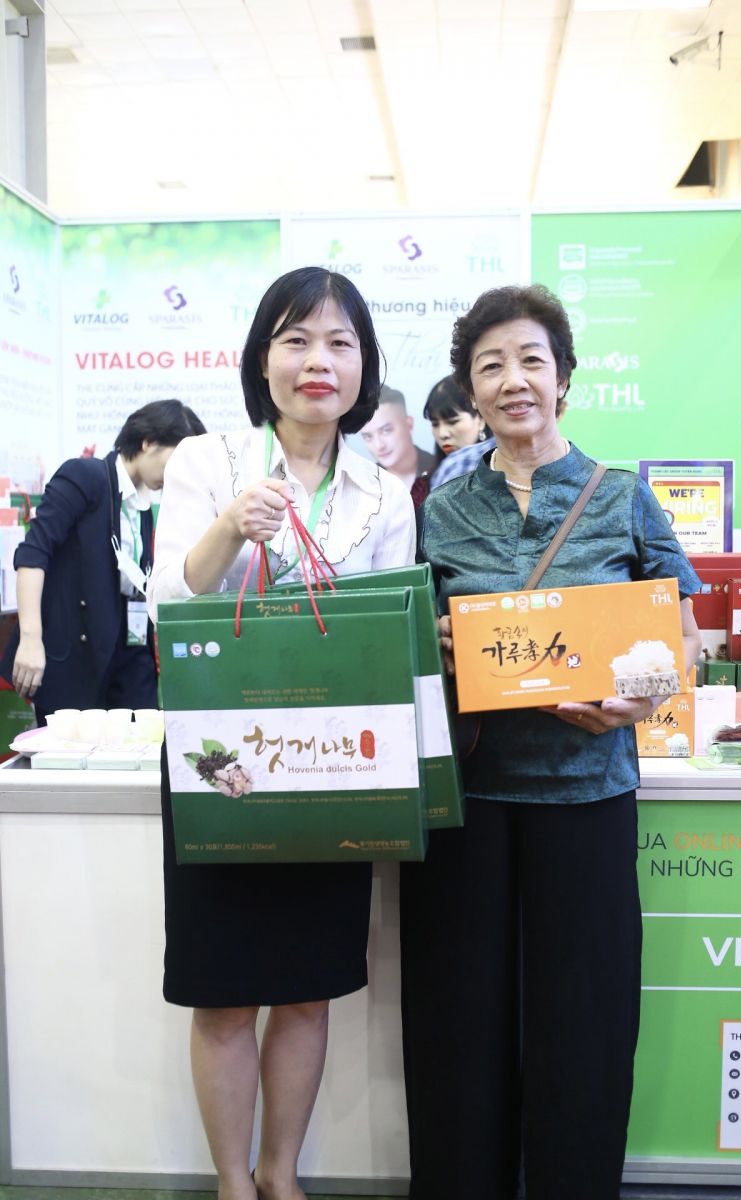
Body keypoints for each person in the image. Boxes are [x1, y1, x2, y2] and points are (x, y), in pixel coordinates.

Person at [399, 284, 702, 1200]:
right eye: (490, 365)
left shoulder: (622, 497)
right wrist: (434, 641)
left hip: (588, 792)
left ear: (563, 378)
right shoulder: (442, 508)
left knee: (585, 1020)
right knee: (459, 1023)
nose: (513, 380)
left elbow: (681, 638)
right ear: (472, 390)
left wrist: (637, 700)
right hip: (469, 797)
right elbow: (409, 638)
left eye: (531, 359)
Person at [148, 266, 416, 1200]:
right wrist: (231, 527)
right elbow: (168, 603)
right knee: (224, 992)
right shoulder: (207, 461)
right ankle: (233, 1183)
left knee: (306, 988)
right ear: (262, 359)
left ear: (364, 366)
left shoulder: (385, 492)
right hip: (220, 763)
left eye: (340, 343)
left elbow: (389, 639)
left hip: (330, 765)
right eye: (296, 340)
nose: (317, 361)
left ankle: (281, 1176)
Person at [2, 399, 206, 723]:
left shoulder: (142, 504)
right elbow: (33, 554)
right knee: (72, 750)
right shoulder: (85, 476)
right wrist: (30, 638)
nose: (177, 476)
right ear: (148, 442)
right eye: (176, 461)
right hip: (75, 659)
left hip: (128, 655)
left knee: (143, 744)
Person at [412, 374, 491, 506]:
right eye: (435, 424)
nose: (442, 434)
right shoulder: (421, 488)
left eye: (452, 422)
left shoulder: (506, 475)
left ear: (481, 419)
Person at [360, 384, 436, 489]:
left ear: (409, 424)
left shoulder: (441, 471)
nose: (379, 445)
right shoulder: (363, 484)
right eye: (368, 437)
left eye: (386, 430)